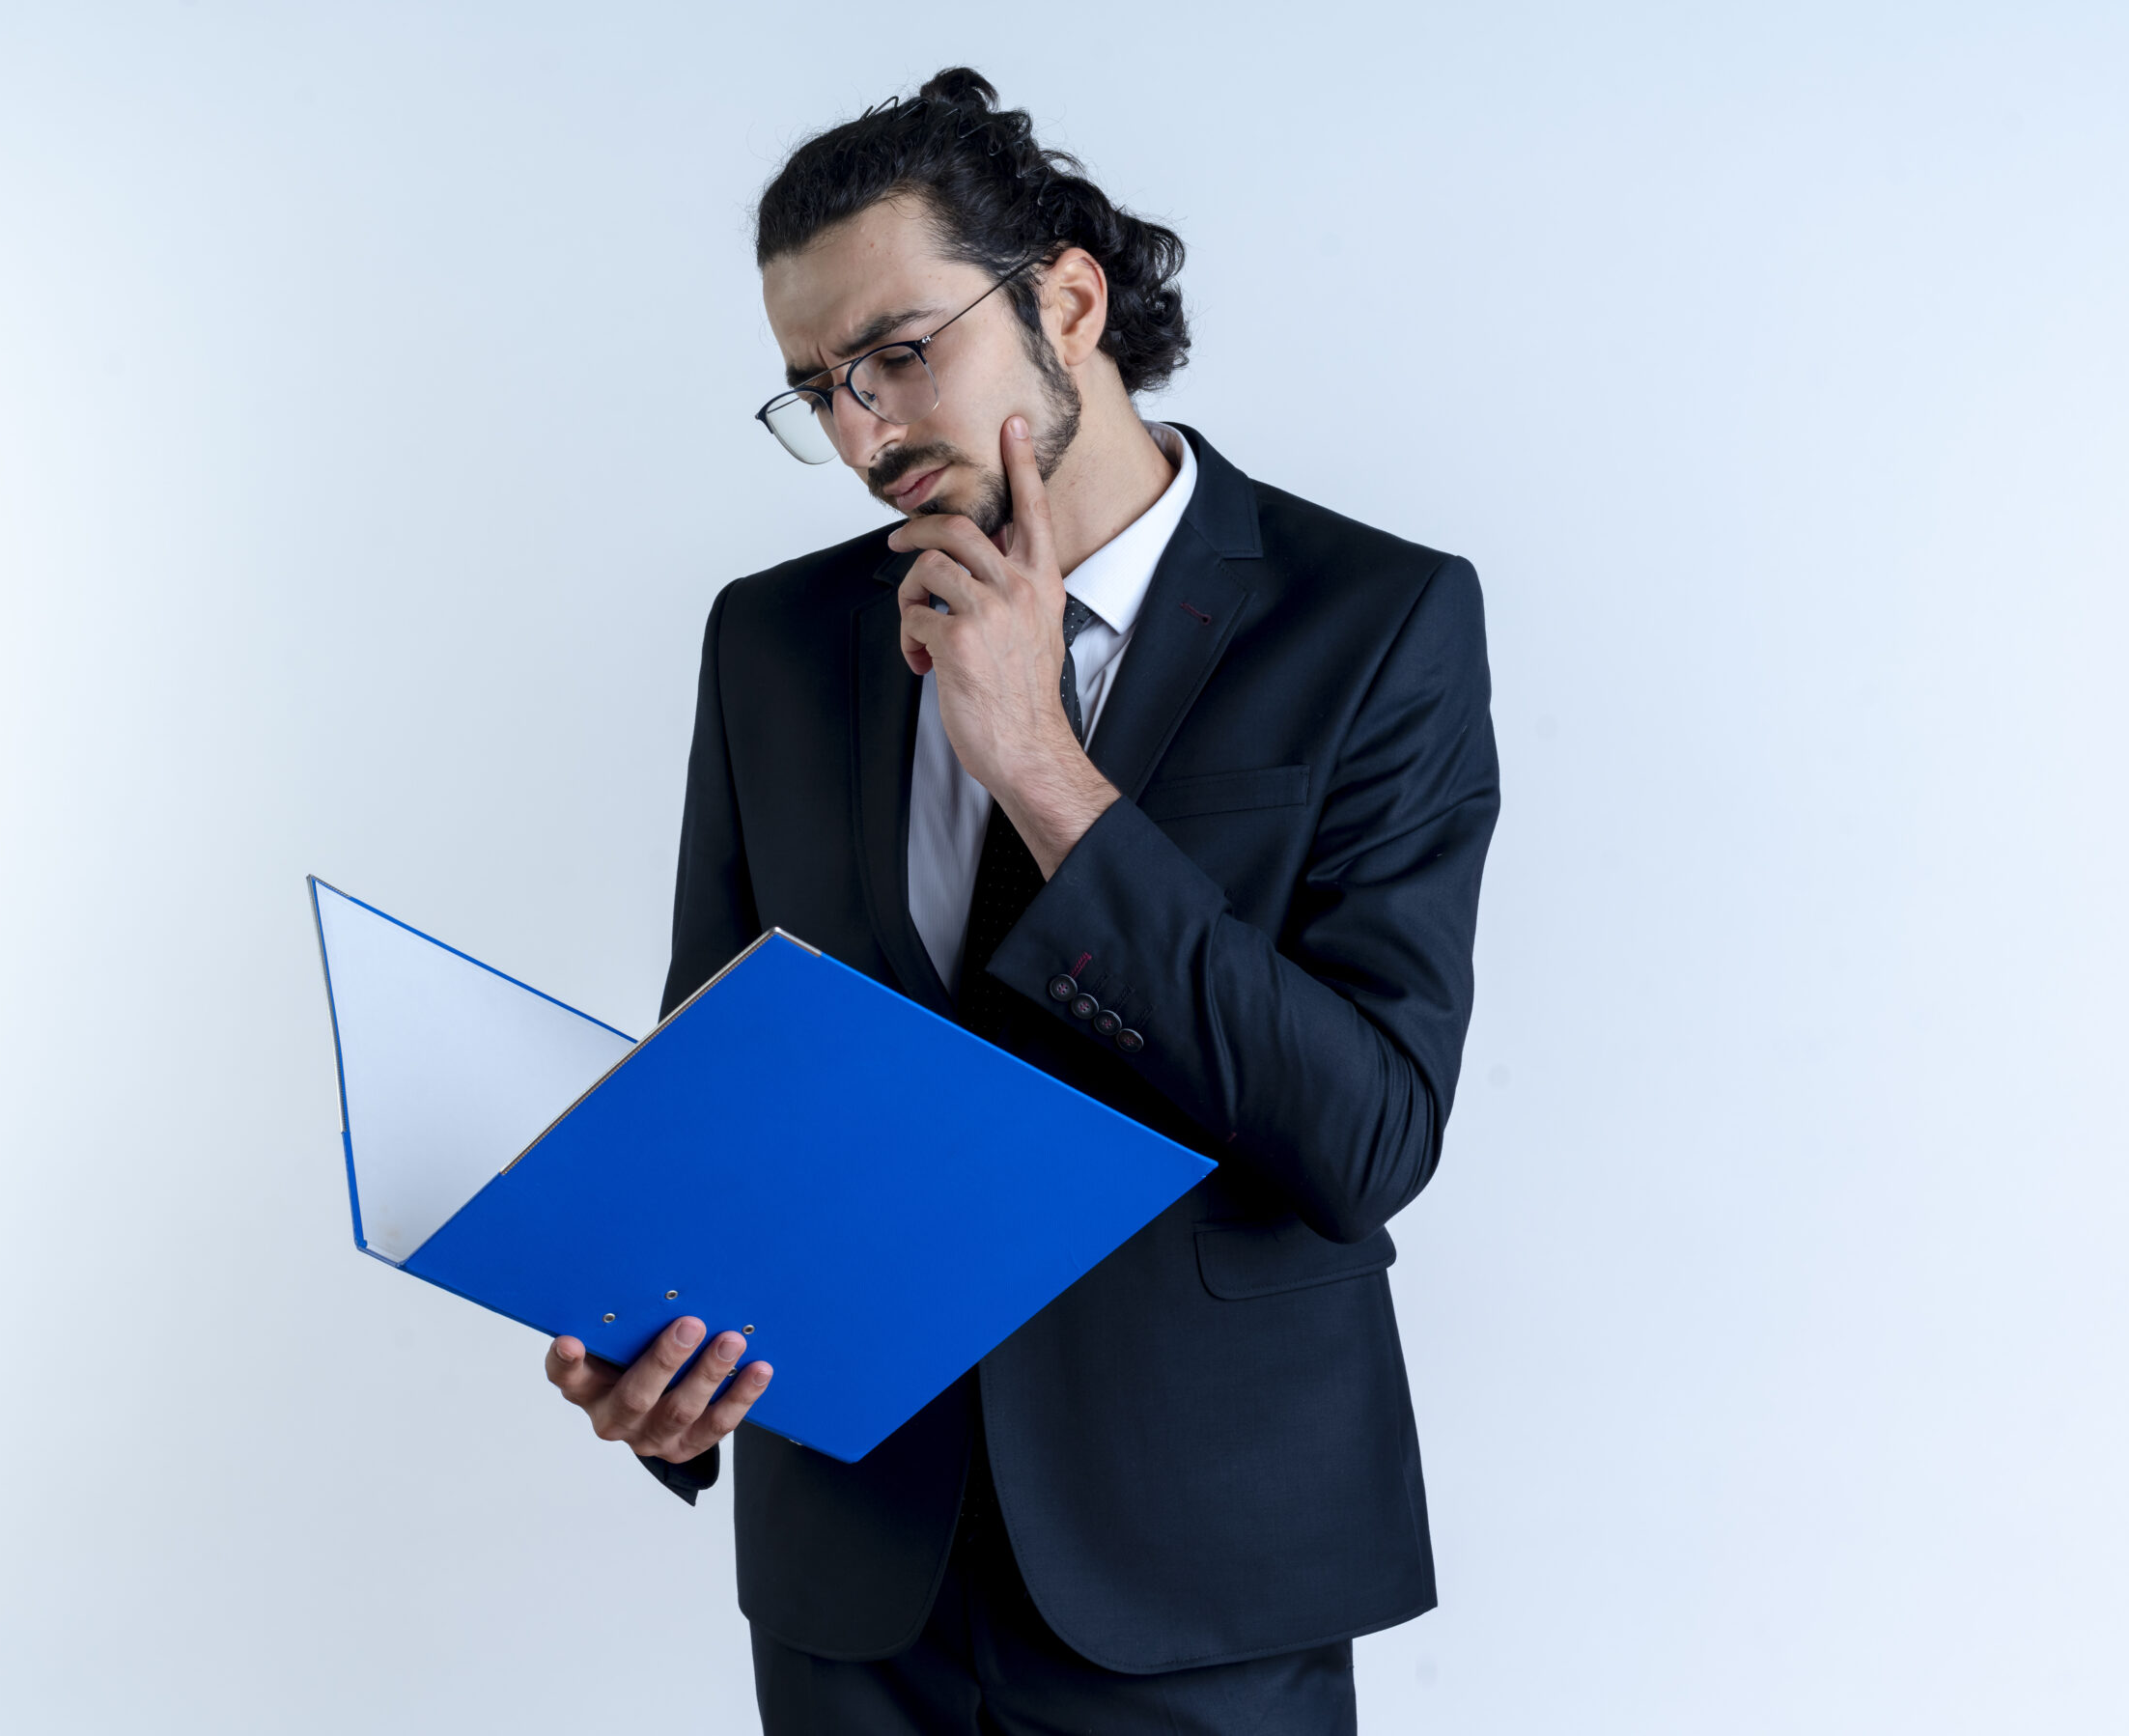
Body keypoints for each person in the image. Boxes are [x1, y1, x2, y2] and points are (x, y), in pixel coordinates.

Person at [543, 67, 1499, 1734]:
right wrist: (654, 1337)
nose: (862, 434)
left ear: (1067, 295)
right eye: (818, 389)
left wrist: (1046, 771)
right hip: (858, 1577)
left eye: (902, 354)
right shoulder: (771, 643)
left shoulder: (1377, 622)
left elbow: (1365, 1137)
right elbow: (727, 1085)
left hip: (1200, 1575)